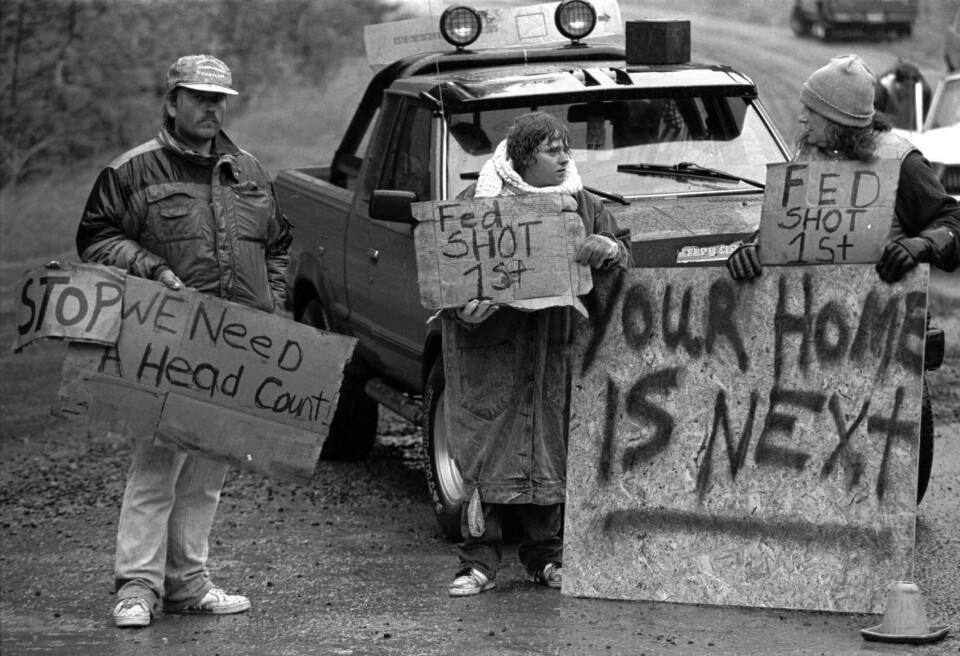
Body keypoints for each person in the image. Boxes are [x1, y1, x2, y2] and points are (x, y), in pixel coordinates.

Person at [76, 54, 293, 628]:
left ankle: (188, 584)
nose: (211, 107)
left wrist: (273, 309)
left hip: (235, 347)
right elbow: (96, 239)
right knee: (155, 468)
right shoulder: (132, 171)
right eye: (198, 97)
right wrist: (150, 268)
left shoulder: (248, 169)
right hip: (165, 342)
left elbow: (278, 244)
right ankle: (137, 589)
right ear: (171, 102)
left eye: (219, 98)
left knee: (208, 472)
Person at [443, 111, 632, 596]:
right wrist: (464, 311)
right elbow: (444, 277)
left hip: (551, 352)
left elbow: (623, 252)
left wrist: (606, 247)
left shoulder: (581, 203)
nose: (565, 157)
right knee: (487, 452)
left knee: (546, 449)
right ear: (524, 158)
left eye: (566, 148)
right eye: (553, 150)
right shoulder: (476, 204)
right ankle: (477, 561)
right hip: (493, 357)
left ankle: (546, 557)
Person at [727, 54, 959, 283]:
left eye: (811, 110)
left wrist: (923, 245)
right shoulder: (807, 156)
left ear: (837, 119)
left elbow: (952, 222)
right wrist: (753, 248)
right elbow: (785, 228)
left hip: (882, 312)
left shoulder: (901, 162)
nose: (801, 118)